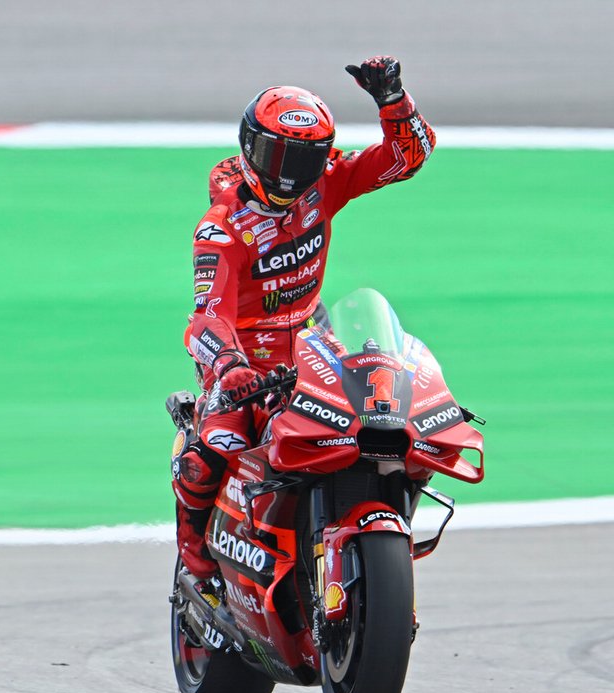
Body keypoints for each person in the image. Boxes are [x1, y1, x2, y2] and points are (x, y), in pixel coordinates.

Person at [172, 56, 436, 581]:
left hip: (316, 346)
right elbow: (205, 319)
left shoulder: (326, 182)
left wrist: (393, 101)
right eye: (279, 156)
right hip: (246, 366)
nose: (292, 174)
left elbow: (408, 158)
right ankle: (196, 566)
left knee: (391, 422)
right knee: (211, 452)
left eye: (305, 159)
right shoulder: (222, 229)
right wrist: (228, 367)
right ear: (251, 148)